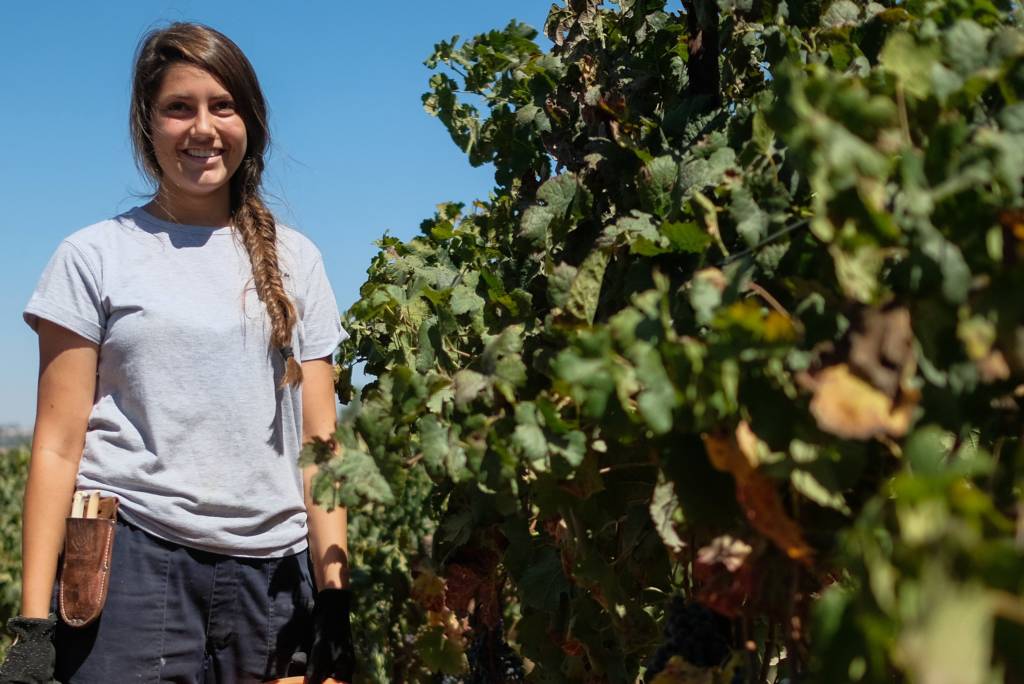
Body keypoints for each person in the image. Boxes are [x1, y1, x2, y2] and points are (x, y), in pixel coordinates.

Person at [0, 22, 355, 683]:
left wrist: (334, 596)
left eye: (222, 106)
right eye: (178, 108)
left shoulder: (297, 259)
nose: (202, 128)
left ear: (250, 121)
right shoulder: (93, 256)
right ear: (147, 125)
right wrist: (32, 626)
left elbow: (321, 442)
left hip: (272, 580)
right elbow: (55, 444)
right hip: (129, 565)